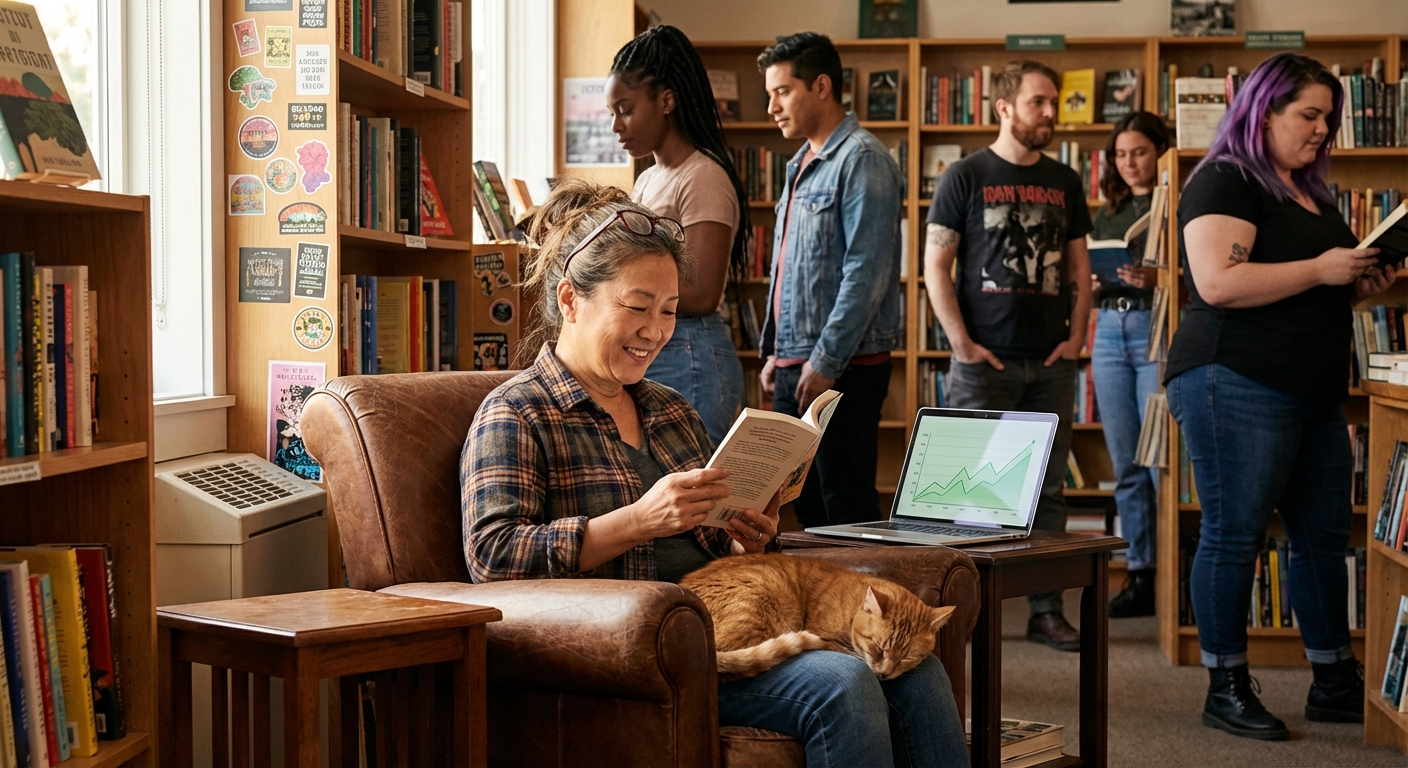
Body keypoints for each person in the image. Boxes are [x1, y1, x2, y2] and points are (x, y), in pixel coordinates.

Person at [461, 179, 969, 767]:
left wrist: (747, 535)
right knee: (843, 682)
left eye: (670, 310)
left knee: (919, 673)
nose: (656, 330)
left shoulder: (670, 409)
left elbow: (712, 548)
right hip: (627, 647)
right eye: (638, 307)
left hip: (720, 626)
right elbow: (491, 556)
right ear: (571, 300)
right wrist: (635, 521)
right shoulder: (516, 412)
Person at [1165, 51, 1391, 740]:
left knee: (1323, 539)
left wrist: (1354, 279)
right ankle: (1225, 684)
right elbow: (1219, 284)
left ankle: (1332, 680)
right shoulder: (1226, 180)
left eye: (1331, 117)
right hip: (1233, 377)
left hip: (1313, 389)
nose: (1323, 129)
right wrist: (1323, 268)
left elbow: (1312, 281)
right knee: (1234, 536)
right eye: (1310, 115)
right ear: (1263, 113)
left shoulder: (1314, 194)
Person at [922, 59, 1093, 653]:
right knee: (967, 494)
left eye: (1054, 101)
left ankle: (1045, 611)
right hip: (983, 364)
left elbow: (1078, 269)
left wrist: (1076, 339)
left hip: (1049, 364)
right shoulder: (964, 176)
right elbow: (935, 267)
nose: (1050, 112)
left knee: (1046, 492)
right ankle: (966, 613)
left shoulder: (1066, 181)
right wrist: (962, 345)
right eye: (1038, 102)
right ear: (1003, 107)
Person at [756, 32, 905, 528]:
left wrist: (824, 361)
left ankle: (867, 608)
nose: (771, 105)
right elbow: (789, 268)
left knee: (846, 504)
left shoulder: (863, 160)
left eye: (782, 91)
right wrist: (776, 350)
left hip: (845, 365)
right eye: (769, 93)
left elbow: (867, 272)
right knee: (807, 505)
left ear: (822, 86)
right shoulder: (799, 164)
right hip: (797, 361)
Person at [608, 24, 750, 448]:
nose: (617, 125)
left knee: (696, 499)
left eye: (626, 109)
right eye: (612, 112)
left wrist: (617, 297)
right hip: (656, 350)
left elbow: (704, 292)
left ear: (666, 100)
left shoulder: (703, 176)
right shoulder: (647, 180)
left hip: (690, 356)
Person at [1089, 112, 1170, 618]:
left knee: (1161, 459)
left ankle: (1173, 571)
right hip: (1109, 330)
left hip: (1155, 328)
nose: (1130, 163)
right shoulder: (1108, 210)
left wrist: (1157, 278)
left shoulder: (1177, 203)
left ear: (1160, 151)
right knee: (1126, 464)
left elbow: (1197, 279)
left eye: (1139, 152)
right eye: (1121, 154)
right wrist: (1097, 282)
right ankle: (1140, 572)